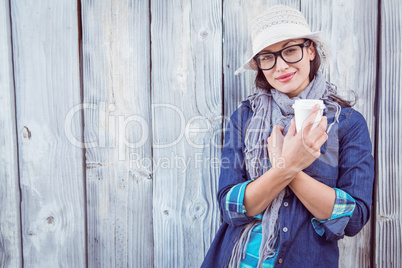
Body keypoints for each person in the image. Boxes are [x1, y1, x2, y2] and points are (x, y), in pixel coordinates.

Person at [201, 5, 374, 268]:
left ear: (311, 50)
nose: (280, 66)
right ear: (259, 64)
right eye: (267, 57)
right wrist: (289, 164)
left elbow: (352, 220)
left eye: (291, 50)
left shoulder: (347, 124)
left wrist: (288, 164)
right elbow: (231, 207)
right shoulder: (246, 118)